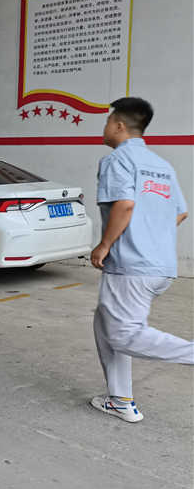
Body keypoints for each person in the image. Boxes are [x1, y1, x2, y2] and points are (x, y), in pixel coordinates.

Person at [89, 98, 192, 423]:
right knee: (105, 323)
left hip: (130, 266)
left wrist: (105, 244)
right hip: (160, 266)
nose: (105, 127)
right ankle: (120, 400)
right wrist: (151, 238)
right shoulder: (162, 165)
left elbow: (125, 204)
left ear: (119, 126)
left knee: (124, 335)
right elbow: (180, 212)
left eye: (108, 121)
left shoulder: (116, 159)